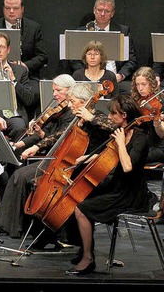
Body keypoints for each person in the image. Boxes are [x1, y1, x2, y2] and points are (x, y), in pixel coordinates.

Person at [0, 80, 115, 248]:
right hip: (71, 167)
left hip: (89, 169)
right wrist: (37, 145)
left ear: (84, 102)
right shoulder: (77, 119)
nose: (70, 104)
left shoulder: (97, 116)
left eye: (73, 101)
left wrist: (92, 118)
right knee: (38, 184)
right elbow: (58, 135)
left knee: (54, 193)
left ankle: (53, 234)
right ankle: (43, 233)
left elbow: (115, 128)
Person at [68, 95, 153, 275]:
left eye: (113, 114)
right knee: (80, 195)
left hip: (131, 194)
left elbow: (127, 166)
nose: (109, 117)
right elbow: (109, 153)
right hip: (117, 186)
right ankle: (84, 248)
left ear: (123, 115)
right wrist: (86, 158)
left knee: (81, 209)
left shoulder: (140, 138)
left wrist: (121, 143)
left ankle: (88, 258)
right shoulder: (120, 131)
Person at [0, 0, 49, 118]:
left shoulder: (34, 27)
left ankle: (26, 121)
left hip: (26, 74)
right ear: (3, 9)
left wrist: (24, 66)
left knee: (34, 93)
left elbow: (42, 56)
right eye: (7, 8)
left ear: (22, 9)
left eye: (15, 8)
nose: (11, 11)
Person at [69, 0, 139, 96]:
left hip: (116, 80)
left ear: (112, 13)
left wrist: (120, 75)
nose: (102, 14)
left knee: (130, 93)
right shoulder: (83, 31)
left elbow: (131, 60)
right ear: (94, 10)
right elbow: (74, 60)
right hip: (87, 79)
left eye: (107, 11)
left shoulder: (123, 31)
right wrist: (85, 76)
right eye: (99, 10)